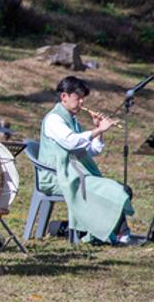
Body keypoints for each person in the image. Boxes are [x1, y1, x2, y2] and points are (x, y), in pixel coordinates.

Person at [38, 76, 140, 245]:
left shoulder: (72, 120)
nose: (82, 102)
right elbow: (71, 142)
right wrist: (96, 130)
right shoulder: (54, 119)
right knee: (109, 189)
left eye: (83, 98)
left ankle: (110, 231)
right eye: (78, 98)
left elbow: (91, 150)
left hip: (73, 174)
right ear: (64, 96)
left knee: (121, 189)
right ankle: (120, 234)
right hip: (55, 176)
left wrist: (100, 132)